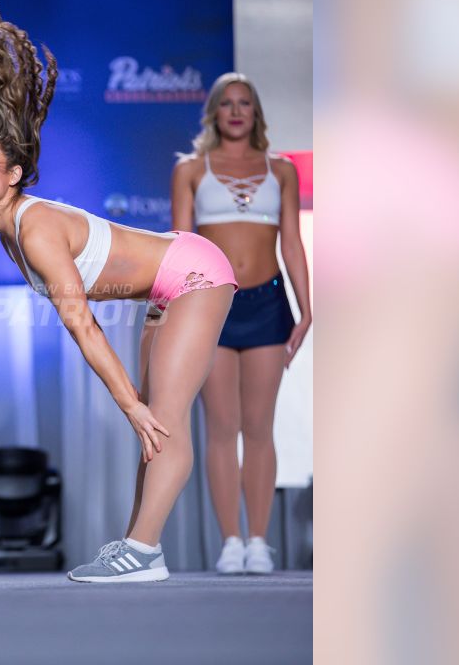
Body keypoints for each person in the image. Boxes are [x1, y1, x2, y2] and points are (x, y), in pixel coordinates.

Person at [0, 0, 237, 583]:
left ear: (14, 173)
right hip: (163, 289)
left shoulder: (35, 226)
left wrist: (127, 402)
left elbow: (80, 321)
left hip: (195, 274)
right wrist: (131, 402)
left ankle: (143, 552)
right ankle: (137, 545)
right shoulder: (7, 230)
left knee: (159, 421)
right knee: (151, 426)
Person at [171, 73, 312, 574]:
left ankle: (259, 541)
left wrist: (306, 305)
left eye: (245, 103)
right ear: (213, 112)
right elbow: (181, 244)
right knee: (220, 427)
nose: (236, 111)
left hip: (269, 304)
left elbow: (291, 242)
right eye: (227, 103)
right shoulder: (190, 170)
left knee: (259, 427)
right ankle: (230, 540)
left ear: (256, 113)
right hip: (212, 306)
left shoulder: (282, 171)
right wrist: (177, 307)